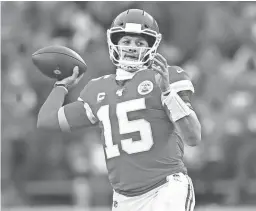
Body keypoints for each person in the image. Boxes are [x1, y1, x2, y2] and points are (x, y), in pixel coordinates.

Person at [37, 9, 201, 211]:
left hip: (165, 189)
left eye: (140, 43)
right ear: (115, 43)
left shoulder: (167, 76)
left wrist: (167, 92)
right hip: (124, 199)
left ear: (152, 46)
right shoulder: (98, 89)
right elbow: (47, 121)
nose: (132, 48)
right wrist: (61, 86)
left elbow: (193, 137)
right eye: (127, 41)